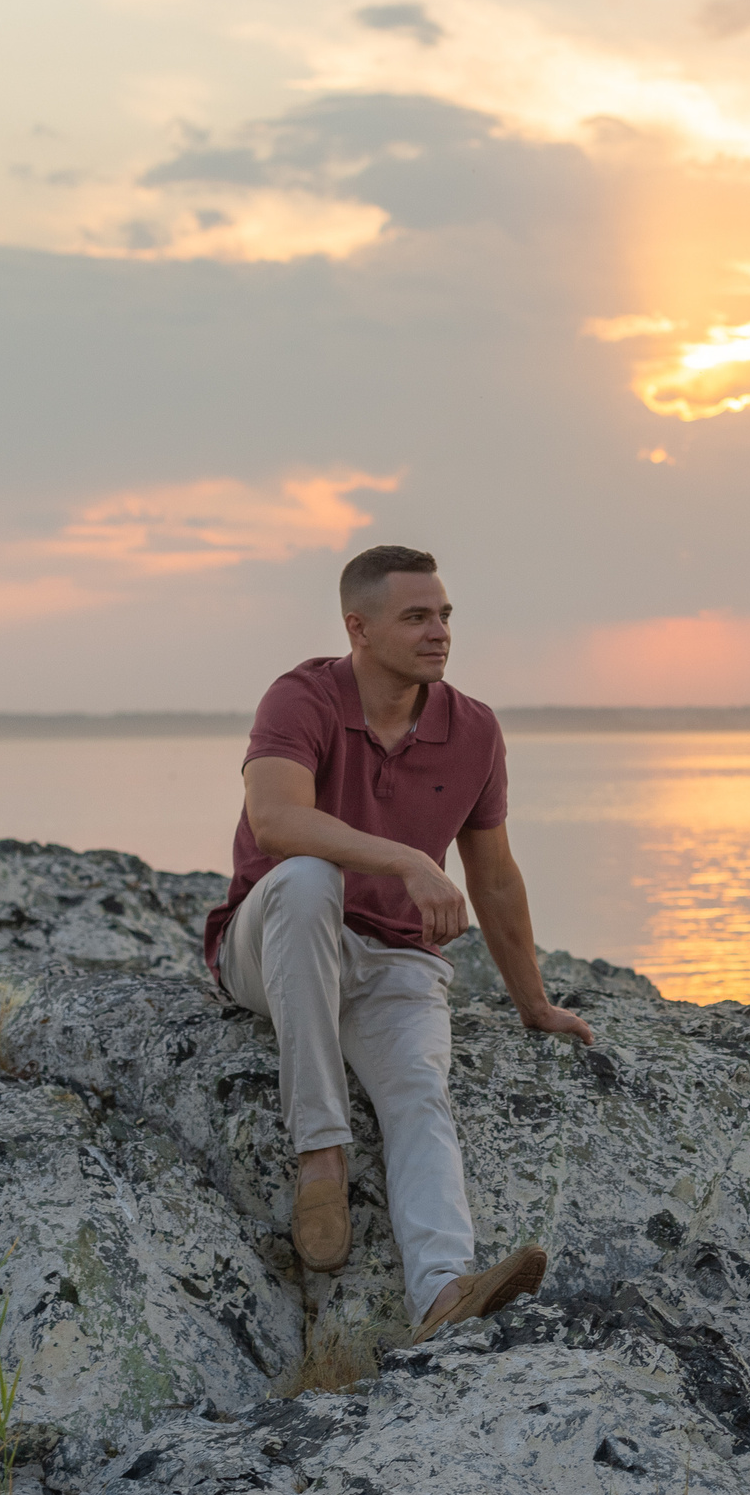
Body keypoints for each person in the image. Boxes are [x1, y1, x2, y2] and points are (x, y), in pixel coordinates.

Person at [203, 543, 595, 1343]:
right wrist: (408, 858)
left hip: (395, 958)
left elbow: (493, 876)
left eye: (445, 614)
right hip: (273, 941)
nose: (439, 632)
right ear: (360, 628)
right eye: (417, 616)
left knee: (420, 1088)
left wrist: (535, 1002)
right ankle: (322, 1155)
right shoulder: (301, 697)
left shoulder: (474, 729)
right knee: (310, 879)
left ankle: (443, 1293)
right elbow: (275, 821)